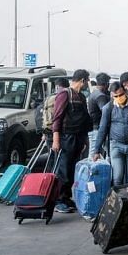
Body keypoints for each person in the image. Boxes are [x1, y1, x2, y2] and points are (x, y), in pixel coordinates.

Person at [93, 82, 128, 185]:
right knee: (117, 179)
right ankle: (118, 201)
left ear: (125, 91)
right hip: (116, 146)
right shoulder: (108, 108)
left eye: (121, 95)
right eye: (116, 96)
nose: (119, 98)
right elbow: (102, 129)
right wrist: (96, 150)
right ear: (112, 95)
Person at [51, 69, 92, 214]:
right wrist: (56, 140)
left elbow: (85, 119)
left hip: (78, 137)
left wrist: (85, 140)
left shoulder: (80, 96)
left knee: (72, 169)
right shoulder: (64, 94)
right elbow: (57, 118)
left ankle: (67, 197)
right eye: (87, 80)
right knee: (63, 170)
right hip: (66, 138)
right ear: (82, 80)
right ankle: (59, 200)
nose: (88, 84)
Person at [86, 73, 111, 159]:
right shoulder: (100, 96)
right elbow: (106, 112)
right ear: (106, 84)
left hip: (94, 128)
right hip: (97, 128)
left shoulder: (94, 93)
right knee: (94, 155)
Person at [42, 78, 70, 149]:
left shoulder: (49, 97)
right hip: (58, 132)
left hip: (48, 131)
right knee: (58, 156)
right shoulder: (62, 97)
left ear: (57, 86)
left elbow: (46, 115)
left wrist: (44, 133)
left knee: (51, 155)